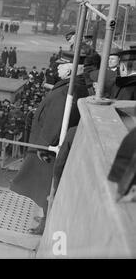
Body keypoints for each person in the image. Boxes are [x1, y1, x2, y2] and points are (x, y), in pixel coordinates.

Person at [10, 53, 89, 233]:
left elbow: (56, 120)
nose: (57, 68)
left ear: (70, 68)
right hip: (50, 145)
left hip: (49, 149)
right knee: (46, 184)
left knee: (47, 185)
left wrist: (44, 145)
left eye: (61, 66)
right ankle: (46, 216)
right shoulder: (71, 86)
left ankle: (46, 224)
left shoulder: (67, 90)